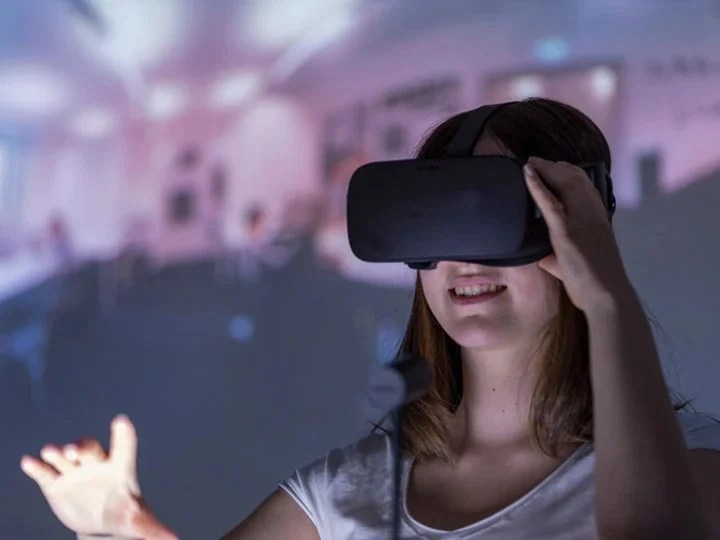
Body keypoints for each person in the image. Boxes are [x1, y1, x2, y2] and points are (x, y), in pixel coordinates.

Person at [19, 98, 720, 539]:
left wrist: (606, 296)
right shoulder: (348, 489)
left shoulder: (685, 458)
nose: (463, 257)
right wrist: (122, 524)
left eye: (497, 214)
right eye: (435, 216)